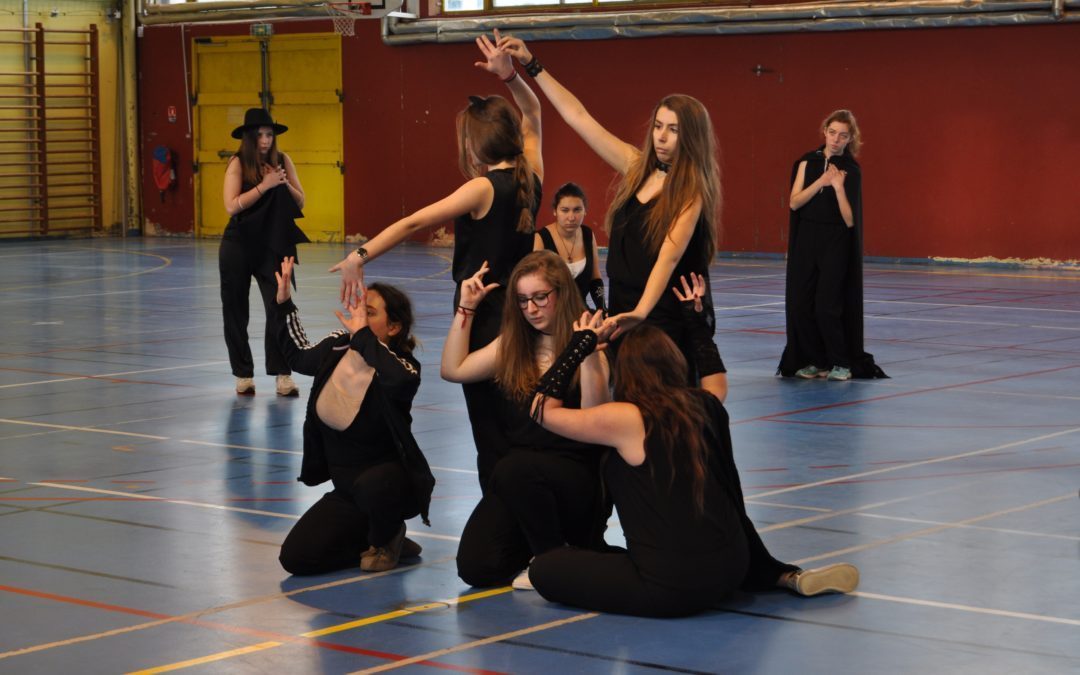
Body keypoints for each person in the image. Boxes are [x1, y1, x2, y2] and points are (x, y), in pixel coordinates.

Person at [525, 322, 860, 617]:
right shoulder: (703, 404)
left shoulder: (627, 417)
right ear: (674, 363)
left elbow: (541, 409)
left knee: (545, 569)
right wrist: (699, 325)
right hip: (733, 569)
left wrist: (579, 344)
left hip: (672, 588)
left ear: (625, 371)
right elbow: (716, 377)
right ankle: (784, 576)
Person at [330, 32, 544, 490]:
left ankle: (505, 515)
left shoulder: (482, 188)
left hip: (481, 314)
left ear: (476, 150)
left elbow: (412, 223)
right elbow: (534, 113)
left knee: (490, 427)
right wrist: (512, 76)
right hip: (523, 315)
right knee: (521, 416)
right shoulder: (534, 176)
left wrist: (358, 255)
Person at [497, 36, 723, 394]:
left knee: (667, 404)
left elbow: (669, 257)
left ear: (691, 136)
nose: (661, 137)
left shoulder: (691, 192)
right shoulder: (636, 166)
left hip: (665, 311)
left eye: (673, 129)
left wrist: (642, 312)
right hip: (626, 305)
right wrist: (531, 63)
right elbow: (578, 116)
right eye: (659, 126)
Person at [441, 251, 610, 589]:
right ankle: (557, 553)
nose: (531, 309)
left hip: (574, 473)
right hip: (522, 481)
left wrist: (588, 354)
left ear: (561, 294)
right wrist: (466, 308)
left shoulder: (589, 338)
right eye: (522, 300)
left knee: (513, 467)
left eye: (540, 298)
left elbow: (596, 418)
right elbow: (453, 369)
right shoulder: (515, 344)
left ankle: (552, 560)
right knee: (477, 567)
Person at [273, 257, 435, 575]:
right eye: (359, 306)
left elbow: (400, 380)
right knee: (297, 558)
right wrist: (283, 304)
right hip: (348, 492)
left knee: (373, 485)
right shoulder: (338, 346)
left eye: (369, 312)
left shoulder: (403, 364)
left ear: (394, 327)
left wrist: (362, 339)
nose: (357, 315)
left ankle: (387, 535)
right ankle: (375, 536)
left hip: (392, 487)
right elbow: (298, 354)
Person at [778, 109, 886, 381]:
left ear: (850, 139)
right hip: (807, 238)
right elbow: (794, 202)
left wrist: (838, 187)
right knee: (802, 303)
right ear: (824, 131)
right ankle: (817, 361)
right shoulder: (806, 162)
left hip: (835, 240)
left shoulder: (851, 170)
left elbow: (850, 219)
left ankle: (841, 362)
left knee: (827, 305)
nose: (836, 139)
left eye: (843, 135)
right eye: (833, 132)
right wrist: (822, 182)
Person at [220, 107, 309, 397]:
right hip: (239, 244)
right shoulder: (237, 163)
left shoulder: (283, 161)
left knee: (279, 306)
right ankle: (243, 374)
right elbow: (232, 206)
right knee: (235, 310)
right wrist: (264, 186)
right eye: (260, 135)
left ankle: (283, 374)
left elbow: (301, 202)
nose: (266, 140)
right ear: (249, 137)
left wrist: (281, 182)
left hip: (273, 243)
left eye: (270, 134)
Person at [534, 182, 605, 313]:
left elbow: (595, 278)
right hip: (551, 314)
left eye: (577, 210)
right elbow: (536, 286)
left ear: (585, 211)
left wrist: (602, 309)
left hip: (582, 311)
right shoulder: (541, 238)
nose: (571, 217)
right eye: (565, 210)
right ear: (555, 211)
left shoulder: (588, 234)